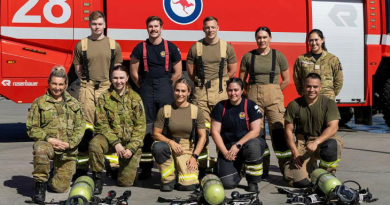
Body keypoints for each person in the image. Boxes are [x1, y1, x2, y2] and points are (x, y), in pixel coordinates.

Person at [130, 16, 182, 180]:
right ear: (147, 28)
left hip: (165, 89)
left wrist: (167, 86)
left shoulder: (171, 47)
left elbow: (178, 73)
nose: (153, 29)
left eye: (156, 26)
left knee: (168, 127)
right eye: (150, 26)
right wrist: (143, 86)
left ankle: (171, 165)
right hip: (146, 89)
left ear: (161, 27)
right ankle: (146, 168)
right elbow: (133, 73)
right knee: (147, 129)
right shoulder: (140, 48)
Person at [73, 10, 123, 176]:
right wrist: (87, 83)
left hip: (106, 88)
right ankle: (82, 165)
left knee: (109, 126)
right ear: (90, 25)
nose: (97, 27)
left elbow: (117, 70)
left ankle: (112, 165)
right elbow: (78, 69)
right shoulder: (82, 45)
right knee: (86, 129)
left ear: (105, 25)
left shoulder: (114, 45)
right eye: (94, 24)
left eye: (100, 24)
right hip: (87, 88)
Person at [26, 66, 85, 203]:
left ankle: (53, 175)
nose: (57, 88)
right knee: (40, 150)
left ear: (66, 85)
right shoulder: (39, 103)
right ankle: (40, 186)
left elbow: (80, 126)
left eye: (60, 84)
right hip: (48, 144)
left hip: (67, 148)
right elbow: (31, 128)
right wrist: (49, 139)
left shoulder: (74, 103)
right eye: (54, 83)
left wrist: (71, 143)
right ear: (49, 83)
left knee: (60, 188)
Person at [187, 16, 237, 171]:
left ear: (218, 28)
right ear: (203, 29)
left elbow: (233, 69)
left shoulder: (226, 47)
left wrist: (220, 83)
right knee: (201, 130)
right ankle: (202, 166)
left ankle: (224, 163)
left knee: (222, 131)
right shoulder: (196, 47)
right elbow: (190, 71)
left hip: (220, 94)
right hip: (201, 94)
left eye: (213, 27)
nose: (210, 30)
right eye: (207, 27)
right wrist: (202, 83)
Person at [240, 26, 291, 177]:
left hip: (274, 98)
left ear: (270, 38)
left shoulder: (279, 56)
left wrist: (275, 91)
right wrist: (250, 93)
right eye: (259, 37)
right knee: (257, 135)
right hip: (254, 98)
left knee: (279, 133)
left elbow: (287, 79)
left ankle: (287, 169)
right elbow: (242, 80)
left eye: (264, 37)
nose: (262, 40)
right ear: (256, 39)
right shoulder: (248, 57)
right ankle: (261, 168)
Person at [89, 65, 146, 194]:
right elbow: (101, 124)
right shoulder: (104, 97)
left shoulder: (135, 98)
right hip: (110, 141)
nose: (118, 81)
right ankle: (97, 178)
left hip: (129, 143)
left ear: (127, 78)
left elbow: (140, 127)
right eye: (115, 78)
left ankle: (118, 170)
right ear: (111, 79)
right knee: (95, 144)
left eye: (121, 78)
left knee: (125, 183)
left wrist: (131, 148)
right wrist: (116, 144)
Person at [284, 73, 343, 188]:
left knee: (331, 145)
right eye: (308, 86)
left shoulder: (329, 104)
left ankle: (327, 172)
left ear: (320, 87)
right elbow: (288, 131)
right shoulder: (294, 105)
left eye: (315, 87)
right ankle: (308, 168)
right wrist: (295, 153)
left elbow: (333, 127)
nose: (312, 90)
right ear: (304, 86)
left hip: (323, 140)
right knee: (299, 182)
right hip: (303, 143)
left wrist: (316, 142)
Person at [152, 78, 207, 192]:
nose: (180, 94)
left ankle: (178, 172)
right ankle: (168, 180)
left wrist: (194, 157)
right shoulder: (165, 110)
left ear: (188, 92)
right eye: (177, 90)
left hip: (186, 148)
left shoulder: (196, 111)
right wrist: (170, 142)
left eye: (183, 91)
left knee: (188, 186)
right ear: (173, 91)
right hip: (169, 145)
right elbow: (156, 134)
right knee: (158, 147)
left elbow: (203, 136)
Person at [210, 78, 265, 192]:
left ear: (242, 90)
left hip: (246, 144)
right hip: (228, 147)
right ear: (226, 91)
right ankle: (240, 170)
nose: (233, 93)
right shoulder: (220, 106)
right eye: (230, 90)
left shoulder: (250, 105)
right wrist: (225, 152)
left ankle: (252, 181)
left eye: (236, 90)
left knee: (254, 145)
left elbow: (255, 131)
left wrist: (238, 145)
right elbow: (215, 132)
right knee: (226, 183)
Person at [293, 29, 343, 101]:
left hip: (327, 99)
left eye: (316, 40)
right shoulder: (302, 59)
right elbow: (297, 78)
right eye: (311, 40)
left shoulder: (332, 59)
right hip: (308, 98)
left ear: (322, 40)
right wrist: (303, 92)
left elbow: (339, 80)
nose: (314, 43)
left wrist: (331, 94)